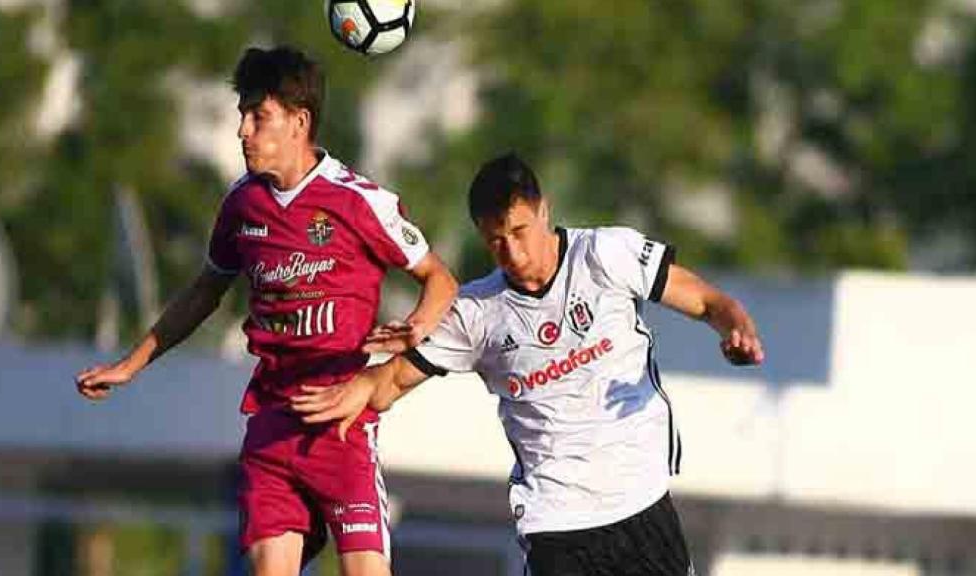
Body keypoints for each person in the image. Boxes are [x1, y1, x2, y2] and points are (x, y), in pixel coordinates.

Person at [74, 46, 458, 576]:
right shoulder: (242, 205)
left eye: (258, 117)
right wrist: (131, 363)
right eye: (241, 117)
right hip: (272, 428)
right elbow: (204, 292)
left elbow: (441, 281)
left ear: (299, 122)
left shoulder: (358, 201)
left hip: (342, 427)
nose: (242, 131)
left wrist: (414, 328)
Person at [290, 153, 765, 576]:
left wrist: (736, 329)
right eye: (496, 241)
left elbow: (707, 301)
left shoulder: (604, 256)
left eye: (519, 231)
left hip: (640, 499)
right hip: (555, 519)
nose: (513, 253)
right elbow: (388, 383)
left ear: (544, 211)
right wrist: (328, 397)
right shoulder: (477, 312)